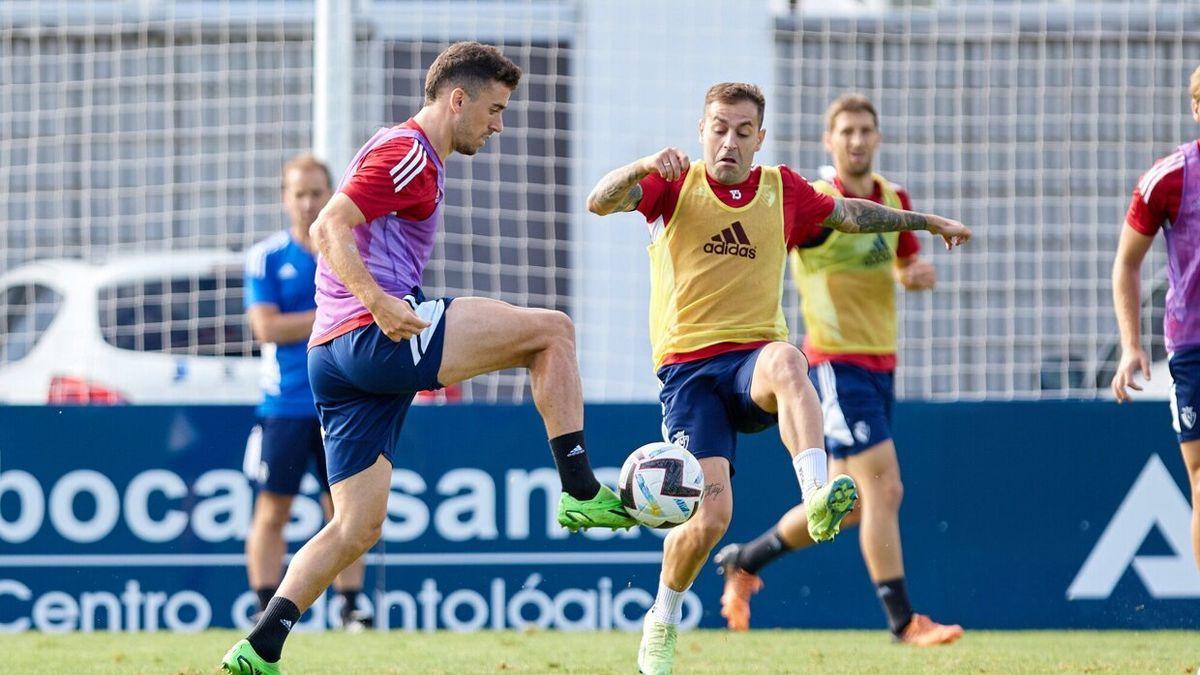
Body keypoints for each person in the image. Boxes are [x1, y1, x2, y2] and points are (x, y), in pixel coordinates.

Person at [222, 42, 635, 675]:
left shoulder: (412, 154)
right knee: (552, 331)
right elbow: (328, 227)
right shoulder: (408, 152)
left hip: (330, 357)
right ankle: (579, 488)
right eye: (494, 109)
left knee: (356, 528)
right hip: (373, 336)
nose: (499, 124)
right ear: (457, 99)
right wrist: (380, 302)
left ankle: (260, 646)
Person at [587, 82, 971, 675]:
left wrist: (925, 220)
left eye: (743, 131)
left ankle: (817, 496)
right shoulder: (673, 186)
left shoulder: (781, 189)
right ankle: (663, 615)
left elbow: (849, 213)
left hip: (752, 365)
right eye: (719, 127)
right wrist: (641, 163)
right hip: (690, 376)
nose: (730, 141)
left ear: (759, 138)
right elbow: (599, 201)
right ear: (701, 129)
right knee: (710, 520)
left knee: (789, 359)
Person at [712, 94, 963, 646]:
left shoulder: (894, 199)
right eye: (845, 131)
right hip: (833, 364)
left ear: (877, 137)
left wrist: (913, 276)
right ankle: (904, 622)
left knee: (847, 507)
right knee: (884, 490)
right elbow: (775, 242)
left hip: (881, 365)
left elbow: (901, 262)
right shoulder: (821, 203)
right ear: (830, 141)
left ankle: (745, 559)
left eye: (865, 130)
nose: (856, 140)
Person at [241, 153, 371, 632]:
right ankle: (262, 604)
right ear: (285, 198)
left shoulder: (349, 249)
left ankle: (351, 606)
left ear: (330, 194)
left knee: (345, 510)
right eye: (299, 193)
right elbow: (267, 326)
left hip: (342, 402)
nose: (308, 202)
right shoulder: (267, 257)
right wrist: (334, 315)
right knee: (273, 508)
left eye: (317, 192)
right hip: (286, 405)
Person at [1112, 64, 1200, 577]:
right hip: (1192, 346)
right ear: (1195, 108)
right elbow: (1126, 262)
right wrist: (1131, 344)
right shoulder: (1169, 177)